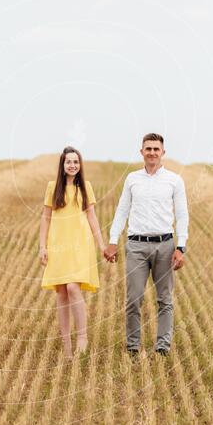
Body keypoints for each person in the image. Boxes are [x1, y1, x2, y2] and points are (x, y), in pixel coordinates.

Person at [103, 133, 189, 356]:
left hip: (165, 245)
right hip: (136, 246)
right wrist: (113, 241)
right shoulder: (132, 179)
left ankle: (162, 346)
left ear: (163, 153)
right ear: (141, 152)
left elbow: (182, 214)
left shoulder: (174, 180)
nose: (152, 152)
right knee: (133, 299)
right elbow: (122, 211)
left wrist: (181, 247)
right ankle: (133, 346)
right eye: (148, 148)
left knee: (165, 300)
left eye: (156, 149)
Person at [40, 146, 106, 359]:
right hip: (58, 245)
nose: (73, 165)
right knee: (61, 292)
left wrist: (102, 245)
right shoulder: (52, 188)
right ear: (63, 164)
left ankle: (82, 338)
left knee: (73, 288)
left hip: (79, 244)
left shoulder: (85, 187)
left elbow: (92, 217)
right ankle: (66, 344)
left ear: (80, 165)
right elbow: (46, 218)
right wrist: (43, 246)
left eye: (76, 162)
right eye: (69, 162)